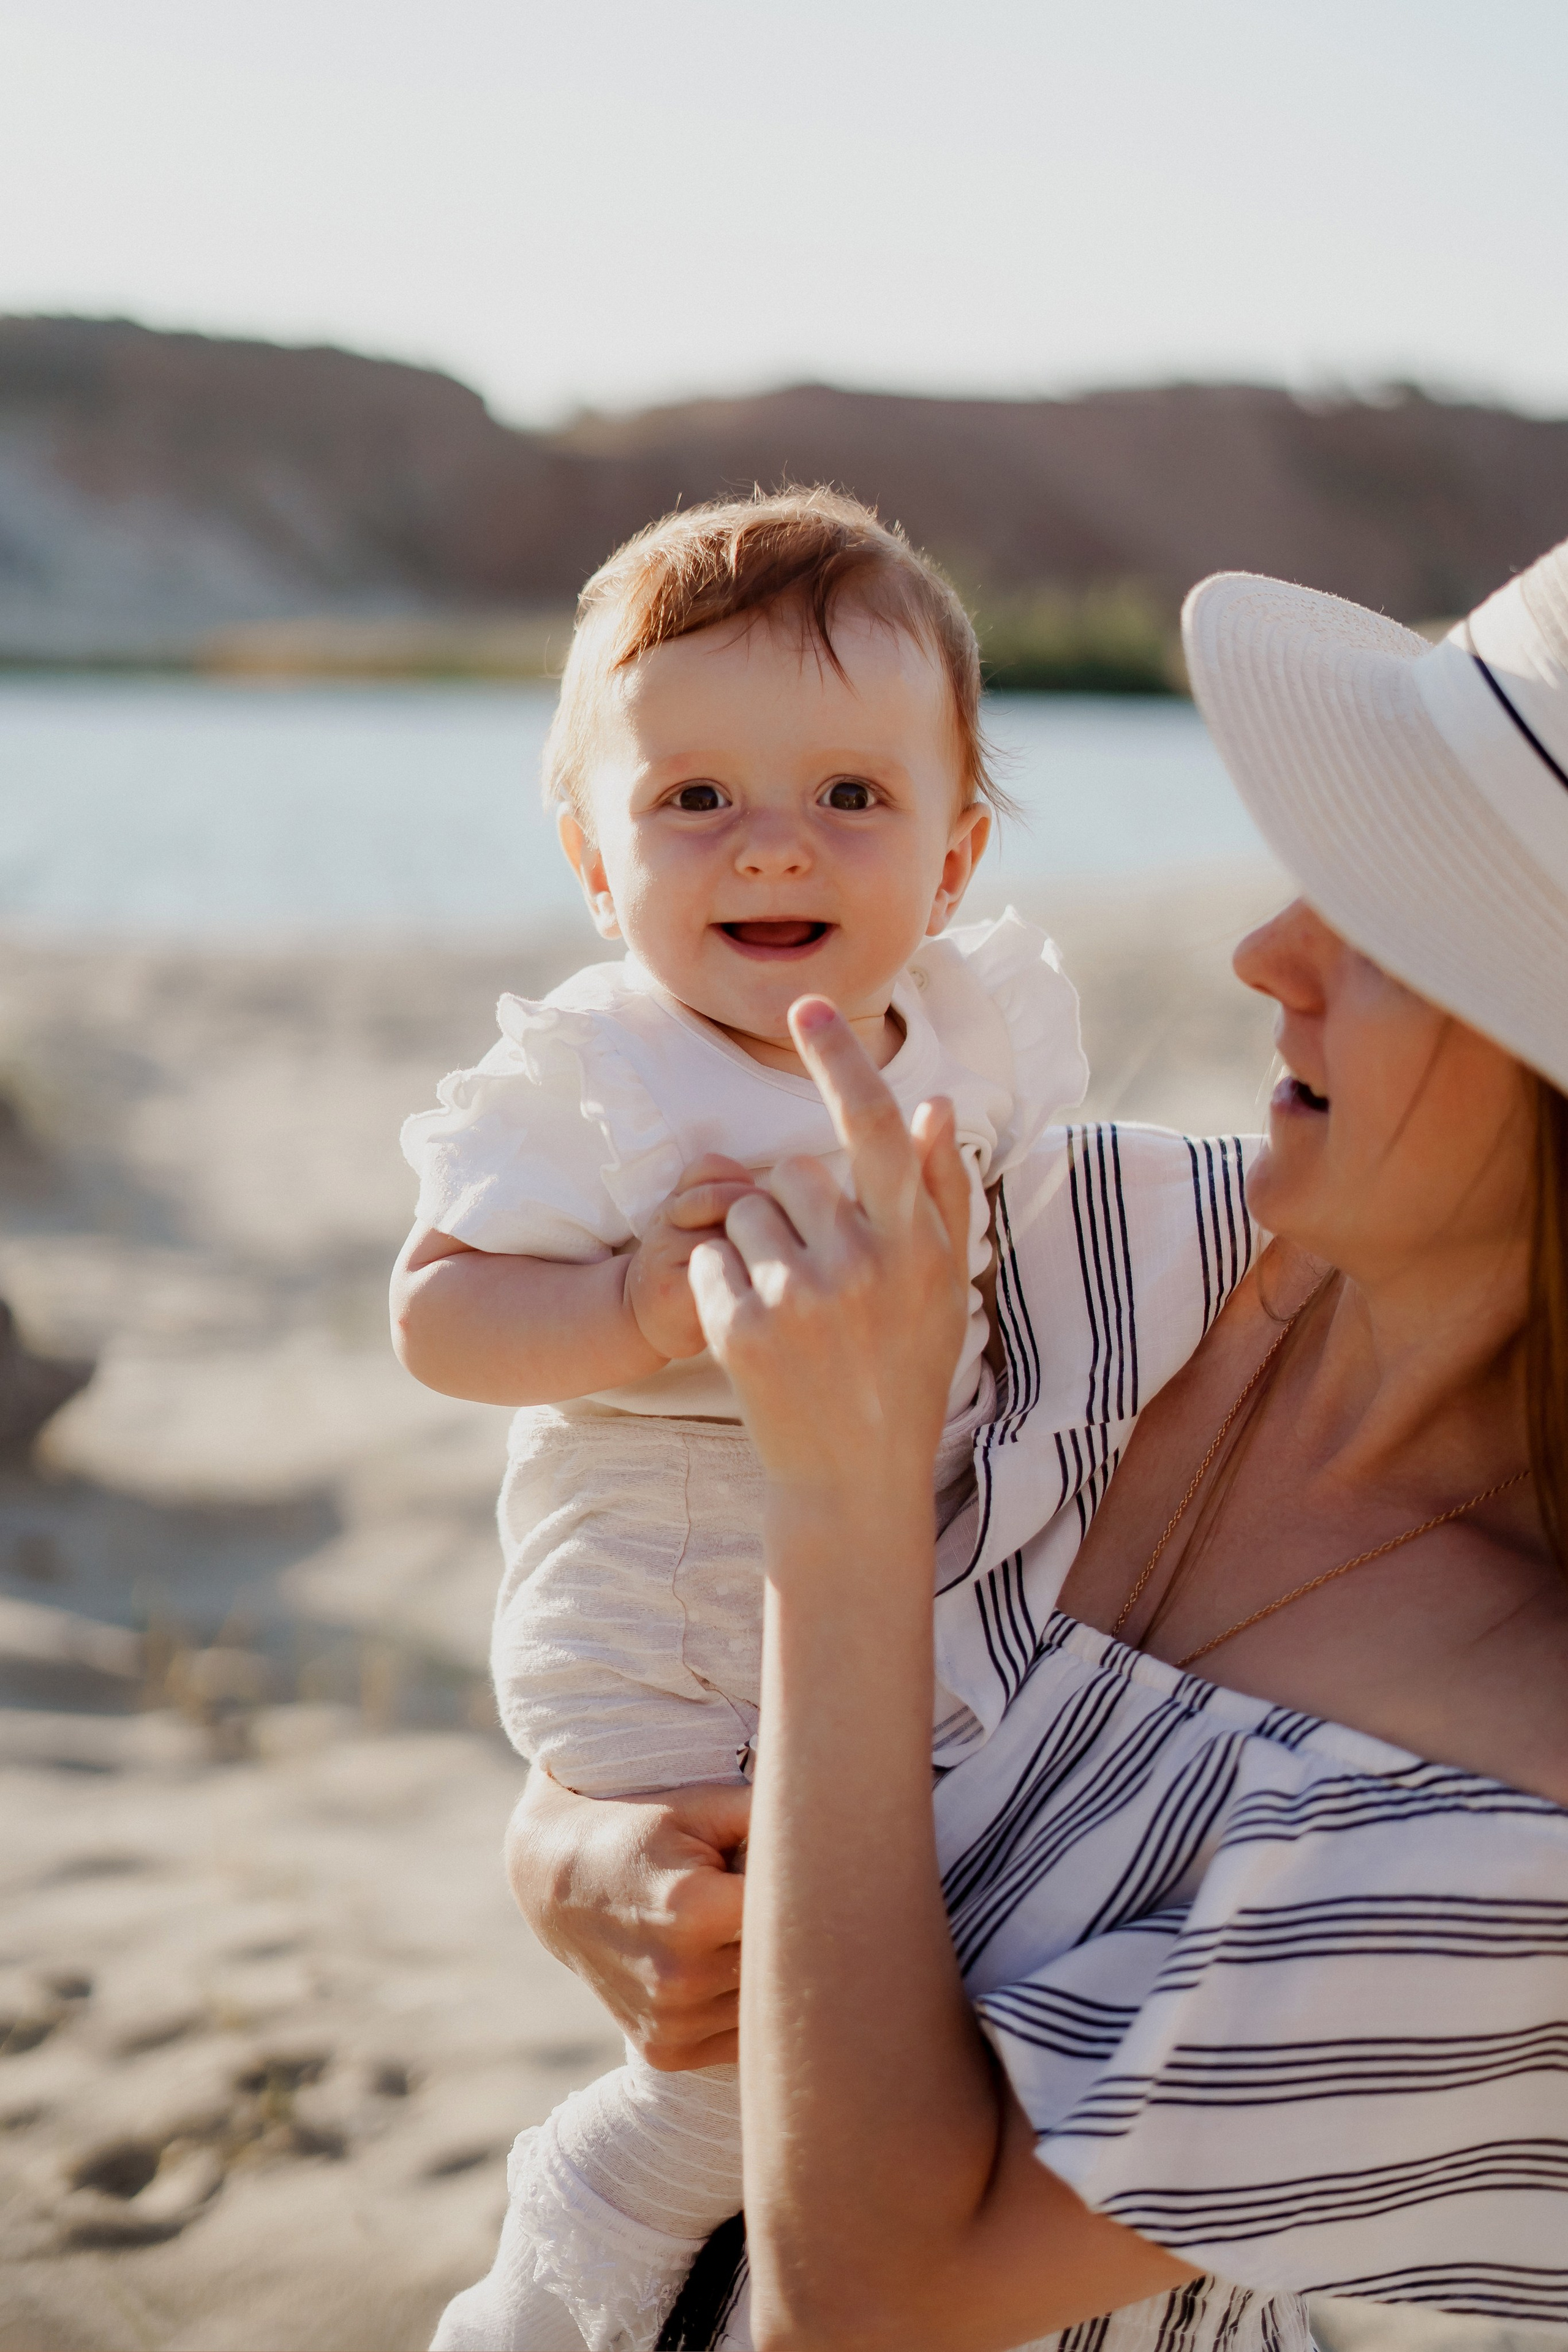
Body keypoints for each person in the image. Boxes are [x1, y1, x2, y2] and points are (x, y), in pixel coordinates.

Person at [507, 534, 1568, 2352]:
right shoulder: (1085, 1232)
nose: (1267, 952)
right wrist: (576, 1850)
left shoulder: (1522, 1825)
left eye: (1394, 916)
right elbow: (645, 1541)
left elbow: (877, 2304)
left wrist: (849, 1512)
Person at [396, 489, 1118, 2352]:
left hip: (897, 1593)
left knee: (908, 1979)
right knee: (769, 2008)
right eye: (694, 797)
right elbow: (437, 1319)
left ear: (953, 863)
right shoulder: (593, 1078)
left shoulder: (977, 1038)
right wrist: (635, 1299)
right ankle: (599, 2214)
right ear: (592, 858)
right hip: (663, 1598)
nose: (770, 840)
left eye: (850, 799)